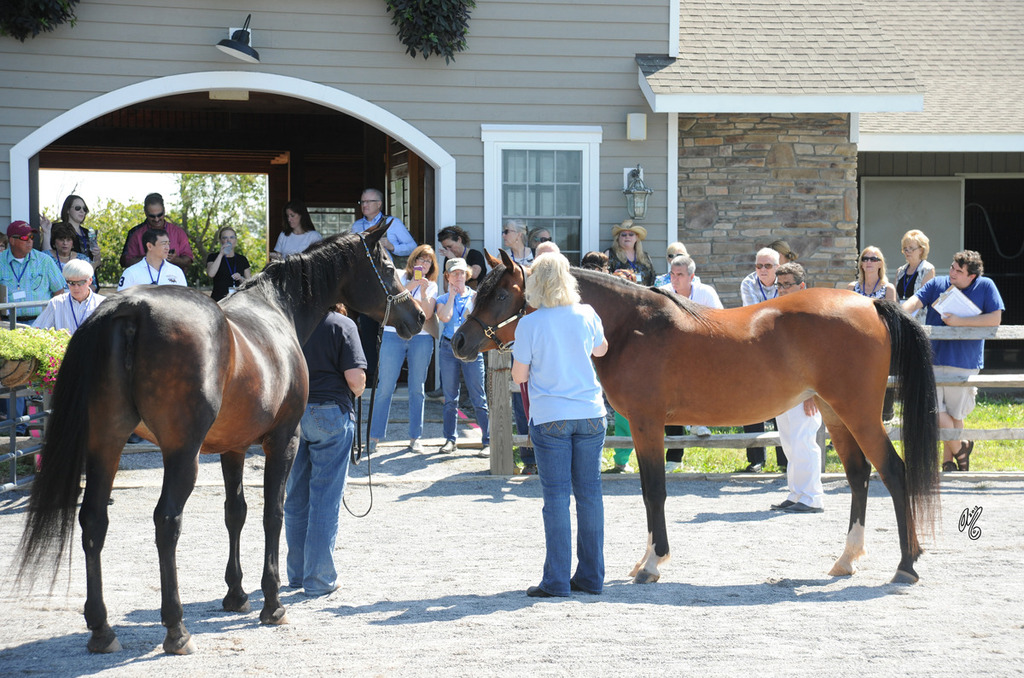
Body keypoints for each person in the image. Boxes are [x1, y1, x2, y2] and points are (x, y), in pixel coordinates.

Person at [511, 252, 608, 598]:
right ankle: (592, 576)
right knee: (589, 495)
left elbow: (519, 375)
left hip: (551, 414)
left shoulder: (530, 324)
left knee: (555, 499)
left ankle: (556, 580)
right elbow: (601, 350)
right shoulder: (587, 314)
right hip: (590, 412)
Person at [284, 305, 366, 596]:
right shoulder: (342, 325)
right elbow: (356, 380)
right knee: (325, 497)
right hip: (330, 410)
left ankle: (296, 573)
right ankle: (319, 579)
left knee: (295, 496)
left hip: (292, 413)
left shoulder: (291, 320)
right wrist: (359, 389)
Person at [902, 250, 1004, 472]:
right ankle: (962, 447)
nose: (953, 273)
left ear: (972, 277)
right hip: (933, 359)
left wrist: (960, 321)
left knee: (956, 414)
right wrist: (898, 314)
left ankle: (949, 462)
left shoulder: (986, 286)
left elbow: (995, 318)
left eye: (959, 271)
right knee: (934, 412)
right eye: (952, 267)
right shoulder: (938, 283)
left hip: (964, 361)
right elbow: (914, 302)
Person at [369, 245, 439, 454]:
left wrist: (424, 291)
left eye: (428, 261)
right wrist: (412, 285)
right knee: (385, 387)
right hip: (393, 334)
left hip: (421, 338)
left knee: (417, 388)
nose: (423, 264)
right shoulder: (399, 276)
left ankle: (415, 437)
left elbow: (426, 314)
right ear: (413, 260)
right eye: (421, 259)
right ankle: (374, 437)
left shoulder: (433, 285)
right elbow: (390, 301)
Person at [768, 262, 825, 513]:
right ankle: (796, 493)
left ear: (802, 286)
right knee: (789, 442)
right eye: (778, 285)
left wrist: (811, 392)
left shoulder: (810, 315)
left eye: (787, 284)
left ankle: (812, 496)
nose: (781, 289)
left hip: (804, 390)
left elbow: (815, 358)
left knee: (804, 441)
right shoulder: (779, 311)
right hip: (783, 388)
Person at [658, 253, 722, 469]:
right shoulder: (662, 293)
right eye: (672, 274)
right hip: (671, 355)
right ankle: (674, 458)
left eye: (680, 275)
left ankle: (698, 419)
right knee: (669, 401)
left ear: (692, 276)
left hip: (702, 351)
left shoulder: (706, 293)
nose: (675, 279)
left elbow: (719, 322)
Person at [738, 246, 786, 472]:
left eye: (768, 266)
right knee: (751, 399)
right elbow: (755, 314)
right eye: (759, 266)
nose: (763, 270)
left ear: (778, 267)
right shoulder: (748, 283)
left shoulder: (786, 281)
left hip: (782, 348)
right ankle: (756, 459)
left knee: (781, 401)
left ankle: (785, 459)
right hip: (755, 346)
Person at [436, 258, 489, 456]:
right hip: (449, 348)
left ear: (467, 275)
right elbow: (445, 318)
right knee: (450, 397)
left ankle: (488, 441)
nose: (458, 276)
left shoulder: (476, 297)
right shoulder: (442, 299)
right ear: (447, 277)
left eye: (461, 273)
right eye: (454, 273)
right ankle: (450, 439)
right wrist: (451, 296)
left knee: (478, 396)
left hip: (471, 349)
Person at [0, 221, 66, 323]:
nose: (29, 241)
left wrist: (51, 317)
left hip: (40, 321)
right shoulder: (1, 261)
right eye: (25, 238)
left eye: (31, 237)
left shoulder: (44, 260)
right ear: (12, 240)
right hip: (8, 323)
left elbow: (59, 291)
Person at [121, 193, 194, 269]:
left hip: (173, 279)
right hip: (144, 280)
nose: (156, 219)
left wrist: (176, 260)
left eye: (160, 215)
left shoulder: (178, 232)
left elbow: (189, 260)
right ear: (145, 212)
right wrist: (149, 258)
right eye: (152, 216)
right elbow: (126, 262)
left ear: (164, 210)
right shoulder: (136, 234)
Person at [32, 259, 105, 334]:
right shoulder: (56, 303)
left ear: (90, 280)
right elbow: (37, 330)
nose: (76, 287)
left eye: (81, 283)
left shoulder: (102, 304)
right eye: (71, 283)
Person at [39, 194, 101, 271]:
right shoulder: (56, 228)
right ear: (67, 210)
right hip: (62, 277)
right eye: (77, 208)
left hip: (86, 278)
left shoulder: (88, 232)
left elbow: (97, 263)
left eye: (84, 209)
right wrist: (46, 232)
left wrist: (97, 255)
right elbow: (47, 255)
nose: (82, 211)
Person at [350, 189, 417, 258]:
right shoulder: (356, 225)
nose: (364, 205)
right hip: (364, 268)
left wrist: (392, 247)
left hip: (389, 268)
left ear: (379, 204)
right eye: (362, 202)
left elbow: (413, 248)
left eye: (368, 202)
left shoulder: (393, 222)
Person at [117, 229, 188, 290]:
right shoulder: (130, 273)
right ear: (149, 246)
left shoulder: (177, 272)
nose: (167, 248)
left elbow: (184, 300)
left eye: (168, 244)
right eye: (164, 244)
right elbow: (120, 301)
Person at [895, 229, 936, 323]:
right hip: (900, 320)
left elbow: (923, 299)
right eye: (905, 248)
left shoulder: (928, 269)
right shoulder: (900, 271)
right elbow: (895, 298)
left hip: (918, 322)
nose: (907, 251)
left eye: (911, 248)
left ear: (921, 250)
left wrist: (904, 313)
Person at [206, 226, 252, 301]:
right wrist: (221, 254)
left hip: (237, 301)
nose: (228, 240)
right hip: (218, 300)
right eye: (225, 238)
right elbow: (211, 274)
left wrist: (241, 278)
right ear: (220, 241)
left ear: (235, 240)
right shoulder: (213, 257)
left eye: (231, 237)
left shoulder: (242, 259)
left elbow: (250, 284)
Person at [605, 219, 654, 286]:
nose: (627, 237)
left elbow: (652, 279)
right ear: (618, 238)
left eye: (631, 234)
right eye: (623, 234)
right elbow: (605, 279)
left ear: (636, 238)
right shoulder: (609, 254)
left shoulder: (645, 256)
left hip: (644, 294)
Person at [437, 225, 485, 289]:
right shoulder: (448, 258)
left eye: (450, 246)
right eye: (445, 248)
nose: (448, 250)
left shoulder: (475, 254)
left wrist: (454, 259)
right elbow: (446, 286)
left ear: (459, 240)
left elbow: (474, 274)